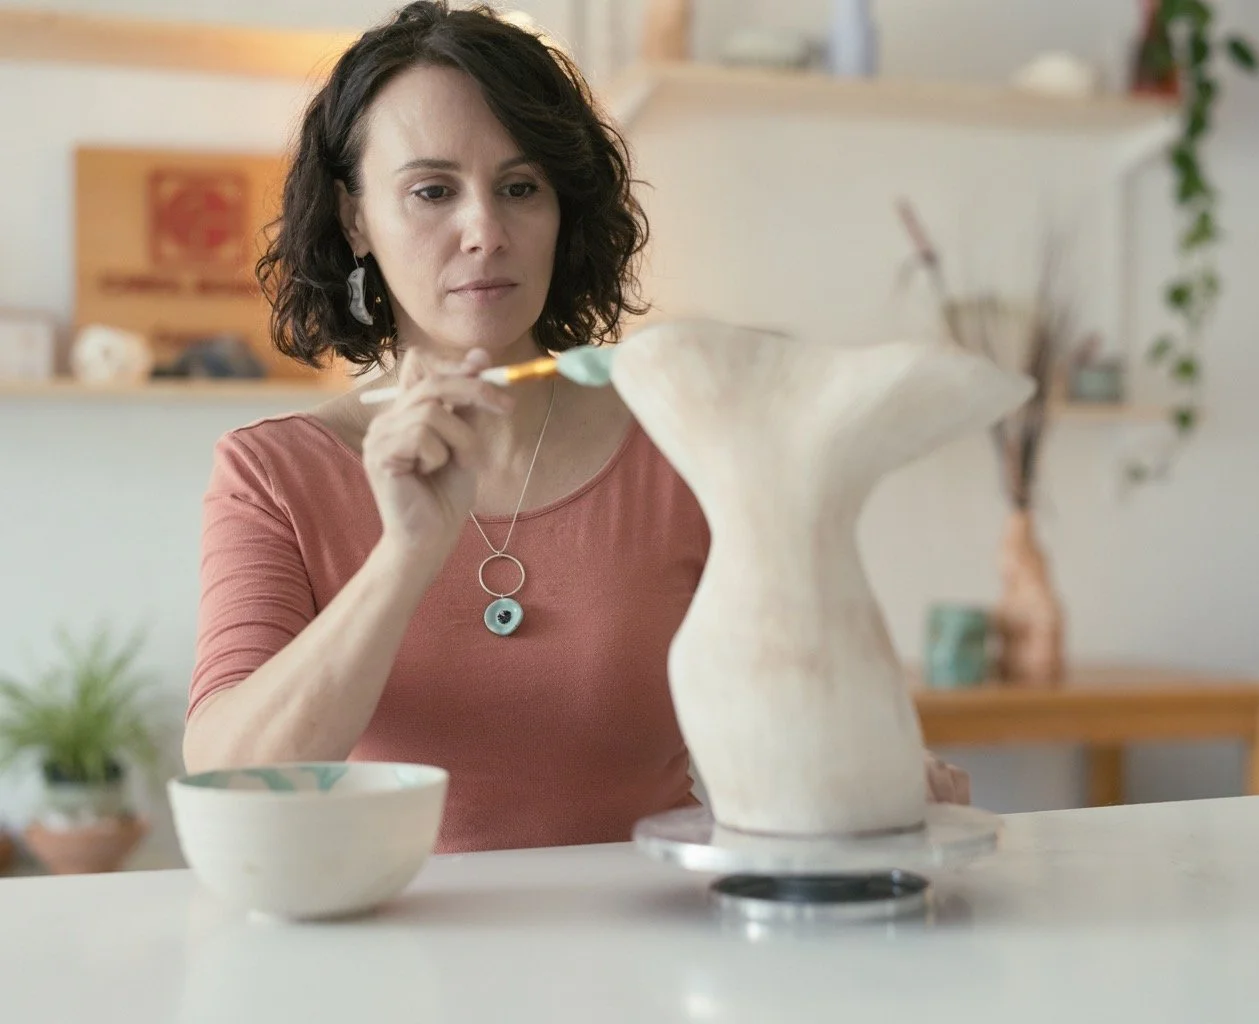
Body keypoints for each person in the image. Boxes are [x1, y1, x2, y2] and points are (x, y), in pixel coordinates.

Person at [182, 1, 969, 853]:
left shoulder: (687, 441)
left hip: (663, 954)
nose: (485, 231)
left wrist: (891, 776)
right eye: (432, 191)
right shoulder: (272, 474)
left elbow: (815, 707)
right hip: (389, 958)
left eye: (520, 188)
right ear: (353, 216)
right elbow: (230, 776)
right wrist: (405, 557)